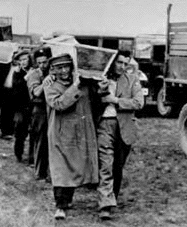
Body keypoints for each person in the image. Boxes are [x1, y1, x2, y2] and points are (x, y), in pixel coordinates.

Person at [44, 53, 99, 220]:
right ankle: (60, 205)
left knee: (74, 166)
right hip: (60, 135)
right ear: (53, 70)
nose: (64, 71)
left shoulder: (83, 83)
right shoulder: (50, 85)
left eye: (66, 67)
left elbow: (97, 97)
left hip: (79, 134)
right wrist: (75, 86)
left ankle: (67, 200)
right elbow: (59, 104)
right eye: (59, 68)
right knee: (61, 170)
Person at [96, 50, 144, 220]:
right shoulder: (100, 79)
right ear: (112, 62)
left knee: (117, 166)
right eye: (119, 62)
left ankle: (111, 197)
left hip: (124, 127)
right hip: (104, 125)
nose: (122, 66)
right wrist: (100, 93)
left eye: (126, 63)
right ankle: (105, 205)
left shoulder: (132, 80)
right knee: (106, 164)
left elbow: (138, 103)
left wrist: (115, 100)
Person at [25, 46, 52, 180]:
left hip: (52, 108)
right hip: (39, 109)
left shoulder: (52, 72)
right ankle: (40, 172)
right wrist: (45, 83)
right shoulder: (34, 74)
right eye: (39, 62)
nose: (42, 65)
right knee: (41, 140)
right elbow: (36, 92)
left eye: (45, 62)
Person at [1, 50, 32, 162]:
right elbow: (15, 89)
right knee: (20, 133)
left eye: (25, 59)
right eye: (21, 60)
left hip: (32, 106)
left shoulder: (34, 71)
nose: (23, 62)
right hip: (21, 107)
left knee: (33, 133)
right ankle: (18, 154)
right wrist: (26, 78)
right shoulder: (18, 73)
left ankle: (32, 157)